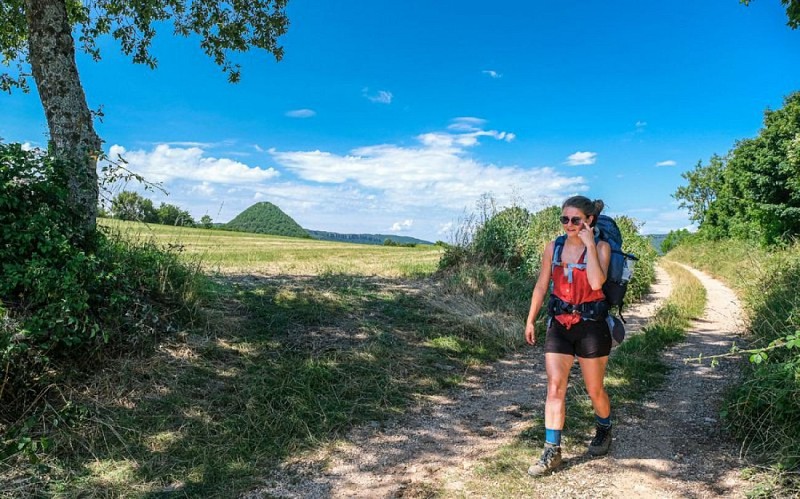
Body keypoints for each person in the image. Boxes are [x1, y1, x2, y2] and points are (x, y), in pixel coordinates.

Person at [524, 196, 614, 476]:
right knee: (554, 387)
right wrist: (530, 320)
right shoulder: (554, 247)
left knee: (594, 389)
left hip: (591, 326)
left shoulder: (601, 247)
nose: (569, 225)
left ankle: (604, 428)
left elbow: (597, 282)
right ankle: (552, 451)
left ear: (589, 220)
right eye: (565, 219)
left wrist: (588, 245)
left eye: (576, 219)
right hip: (560, 324)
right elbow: (541, 285)